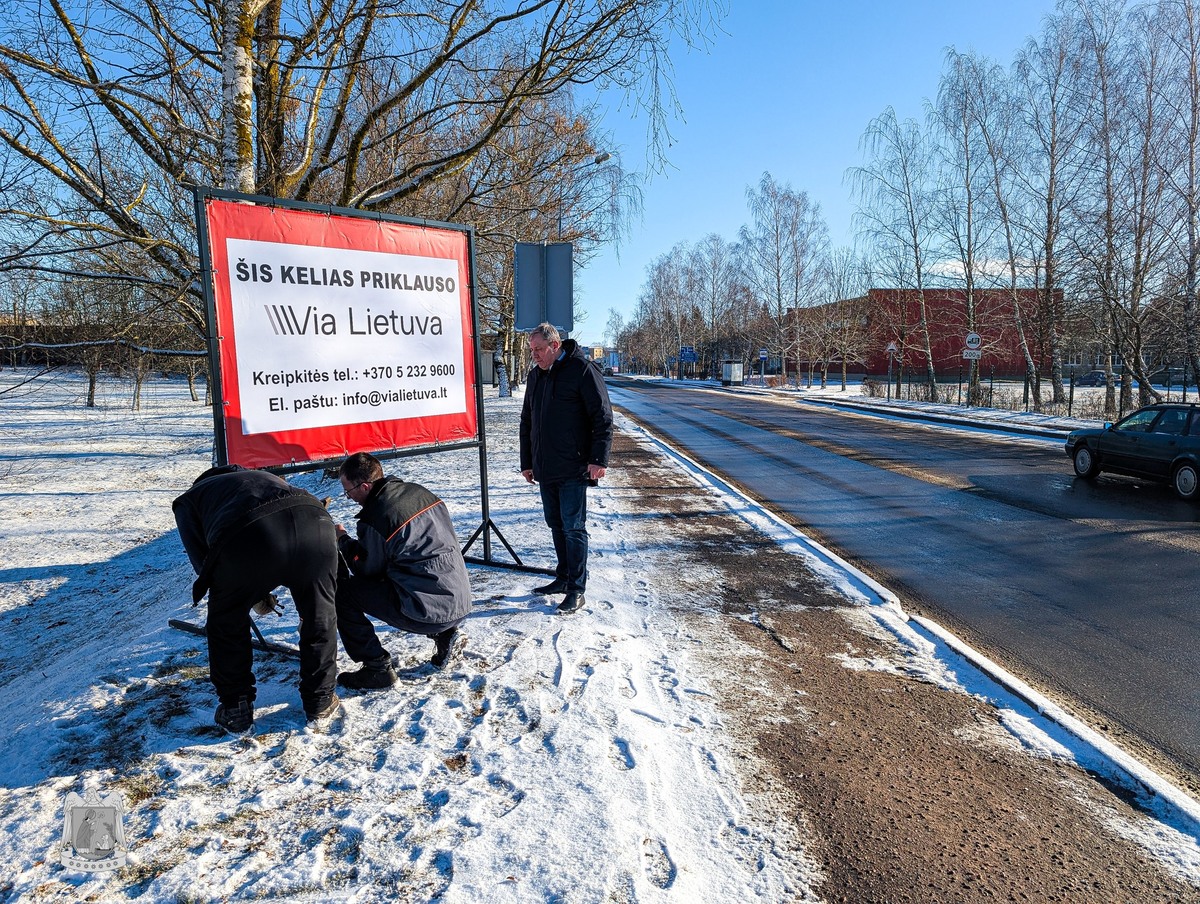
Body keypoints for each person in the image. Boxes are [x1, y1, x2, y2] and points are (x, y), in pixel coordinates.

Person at [173, 465, 340, 732]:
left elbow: (205, 564)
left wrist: (248, 592)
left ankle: (236, 708)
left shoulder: (191, 499)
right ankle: (320, 700)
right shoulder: (265, 477)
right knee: (319, 615)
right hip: (316, 523)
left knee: (226, 622)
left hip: (248, 536)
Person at [334, 452, 472, 687]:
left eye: (348, 492)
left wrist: (343, 541)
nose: (349, 498)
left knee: (341, 593)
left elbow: (367, 571)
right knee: (414, 569)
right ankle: (446, 634)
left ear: (365, 486)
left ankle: (376, 667)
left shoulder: (378, 517)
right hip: (460, 601)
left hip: (424, 611)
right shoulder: (420, 492)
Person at [519, 322, 613, 614]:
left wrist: (599, 459)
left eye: (538, 349)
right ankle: (562, 578)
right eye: (531, 350)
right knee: (555, 524)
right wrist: (527, 462)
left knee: (573, 527)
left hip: (573, 465)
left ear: (555, 346)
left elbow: (603, 417)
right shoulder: (536, 376)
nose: (534, 355)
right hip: (545, 466)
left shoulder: (582, 371)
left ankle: (576, 589)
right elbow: (527, 422)